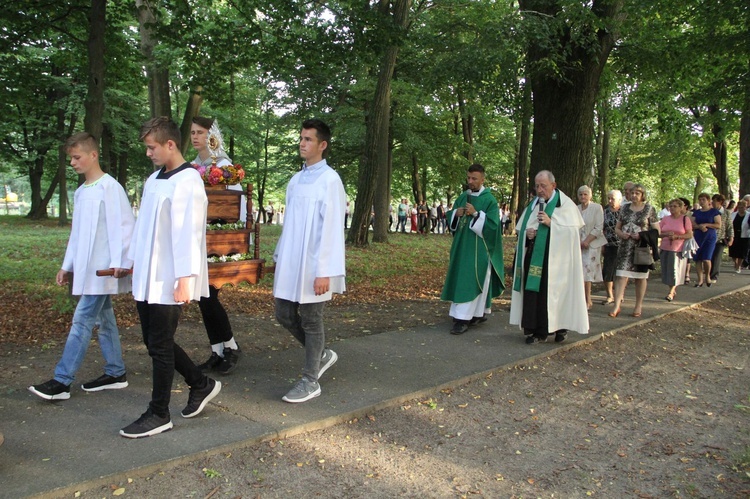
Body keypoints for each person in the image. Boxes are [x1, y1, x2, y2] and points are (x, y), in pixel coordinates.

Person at [121, 117, 222, 438]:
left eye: (152, 147)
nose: (148, 153)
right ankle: (201, 383)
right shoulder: (154, 180)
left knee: (160, 344)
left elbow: (189, 234)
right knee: (153, 341)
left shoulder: (188, 181)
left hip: (171, 276)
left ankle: (158, 412)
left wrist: (184, 278)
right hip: (148, 274)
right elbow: (143, 227)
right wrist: (132, 262)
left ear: (169, 145)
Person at [29, 132, 134, 401]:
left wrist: (121, 263)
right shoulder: (80, 192)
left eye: (77, 157)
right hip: (87, 270)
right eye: (71, 158)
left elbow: (123, 227)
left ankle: (62, 381)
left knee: (82, 319)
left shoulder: (110, 187)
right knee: (105, 320)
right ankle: (115, 372)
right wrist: (68, 265)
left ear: (93, 155)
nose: (73, 163)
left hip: (104, 270)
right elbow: (76, 234)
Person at [273, 119, 345, 403]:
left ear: (322, 145)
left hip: (316, 263)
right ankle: (322, 354)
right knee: (284, 314)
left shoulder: (330, 180)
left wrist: (324, 271)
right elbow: (289, 223)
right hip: (292, 261)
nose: (302, 143)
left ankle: (310, 379)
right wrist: (280, 257)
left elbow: (332, 228)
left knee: (312, 321)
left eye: (308, 139)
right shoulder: (295, 180)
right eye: (301, 138)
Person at [510, 170, 588, 344]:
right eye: (537, 186)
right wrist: (527, 233)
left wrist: (551, 224)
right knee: (534, 292)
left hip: (557, 262)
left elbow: (572, 234)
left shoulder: (565, 205)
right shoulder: (533, 205)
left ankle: (559, 328)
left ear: (554, 185)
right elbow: (522, 228)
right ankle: (535, 330)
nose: (539, 190)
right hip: (535, 256)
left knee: (554, 294)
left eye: (543, 186)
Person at [190, 117, 241, 375]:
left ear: (212, 137)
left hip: (217, 240)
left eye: (200, 132)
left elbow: (234, 202)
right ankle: (217, 350)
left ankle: (230, 346)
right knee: (203, 297)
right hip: (197, 239)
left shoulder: (223, 166)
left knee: (208, 296)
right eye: (192, 133)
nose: (195, 137)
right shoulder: (193, 167)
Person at [440, 164, 505, 335]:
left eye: (474, 178)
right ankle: (473, 314)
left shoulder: (489, 200)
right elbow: (451, 216)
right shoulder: (463, 196)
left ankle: (463, 319)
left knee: (472, 279)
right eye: (468, 178)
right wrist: (456, 214)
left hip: (479, 249)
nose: (470, 181)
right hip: (462, 246)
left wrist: (477, 214)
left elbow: (493, 226)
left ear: (482, 179)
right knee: (461, 278)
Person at [610, 183, 659, 318]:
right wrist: (621, 234)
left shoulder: (649, 209)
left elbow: (656, 231)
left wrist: (641, 235)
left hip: (641, 248)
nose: (633, 195)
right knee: (620, 275)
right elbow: (617, 227)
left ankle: (638, 306)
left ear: (642, 195)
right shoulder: (624, 208)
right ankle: (616, 305)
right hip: (625, 247)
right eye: (632, 193)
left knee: (640, 277)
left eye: (637, 193)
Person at [577, 186, 607, 310]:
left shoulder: (597, 208)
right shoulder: (576, 209)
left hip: (592, 243)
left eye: (585, 194)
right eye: (580, 195)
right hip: (578, 243)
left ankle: (588, 299)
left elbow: (599, 227)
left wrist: (587, 241)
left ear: (590, 195)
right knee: (579, 271)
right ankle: (580, 298)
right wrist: (578, 242)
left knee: (587, 271)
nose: (583, 197)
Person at [659, 199, 693, 301]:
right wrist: (666, 234)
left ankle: (671, 292)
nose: (672, 208)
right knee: (667, 271)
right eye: (671, 206)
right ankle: (672, 289)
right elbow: (658, 232)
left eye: (675, 206)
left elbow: (689, 234)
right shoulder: (665, 219)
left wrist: (677, 237)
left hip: (678, 248)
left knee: (675, 271)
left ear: (681, 207)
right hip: (665, 247)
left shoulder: (685, 219)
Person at [690, 193, 721, 287]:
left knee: (706, 258)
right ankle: (700, 280)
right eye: (700, 200)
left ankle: (707, 276)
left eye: (703, 199)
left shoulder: (714, 212)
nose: (701, 201)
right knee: (698, 258)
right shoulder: (697, 212)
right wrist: (699, 226)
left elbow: (718, 225)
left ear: (708, 201)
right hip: (698, 236)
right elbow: (692, 223)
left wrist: (706, 224)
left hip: (709, 236)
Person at [601, 189, 622, 305]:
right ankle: (609, 295)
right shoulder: (604, 211)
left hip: (622, 245)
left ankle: (619, 294)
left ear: (619, 200)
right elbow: (601, 228)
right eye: (608, 198)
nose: (610, 201)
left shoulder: (624, 211)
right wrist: (602, 244)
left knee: (620, 271)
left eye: (612, 198)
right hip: (609, 244)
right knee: (607, 270)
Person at [709, 194, 733, 282]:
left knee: (716, 257)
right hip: (710, 237)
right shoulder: (710, 211)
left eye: (714, 201)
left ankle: (714, 276)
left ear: (720, 202)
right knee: (709, 256)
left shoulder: (726, 213)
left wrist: (731, 238)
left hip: (721, 238)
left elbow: (729, 226)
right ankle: (708, 273)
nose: (712, 202)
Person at [729, 200, 750, 273]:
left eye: (743, 207)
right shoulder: (733, 214)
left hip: (744, 236)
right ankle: (735, 263)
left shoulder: (748, 215)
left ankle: (739, 266)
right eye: (739, 207)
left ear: (745, 207)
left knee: (742, 252)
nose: (741, 209)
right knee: (733, 251)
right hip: (734, 235)